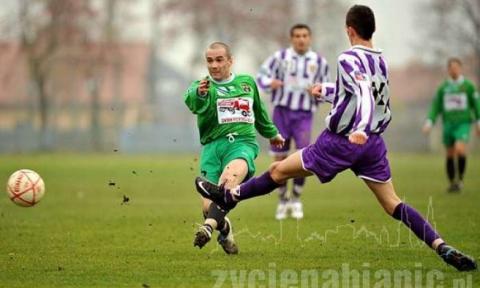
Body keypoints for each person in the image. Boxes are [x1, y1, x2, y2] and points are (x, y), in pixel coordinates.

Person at [194, 5, 477, 271]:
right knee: (393, 203)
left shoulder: (347, 57)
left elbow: (364, 93)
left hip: (342, 141)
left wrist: (360, 128)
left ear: (349, 30)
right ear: (371, 30)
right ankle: (441, 246)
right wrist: (327, 91)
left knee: (279, 171)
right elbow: (360, 95)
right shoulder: (380, 60)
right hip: (373, 145)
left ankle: (229, 194)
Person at [184, 42, 284, 254]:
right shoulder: (201, 86)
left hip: (241, 145)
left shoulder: (247, 83)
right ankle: (224, 228)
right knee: (207, 207)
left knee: (228, 181)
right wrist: (200, 93)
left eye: (219, 59)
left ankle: (207, 228)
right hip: (212, 150)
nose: (214, 65)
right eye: (210, 60)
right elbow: (192, 101)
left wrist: (273, 134)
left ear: (230, 61)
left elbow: (260, 113)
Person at [257, 24, 330, 220]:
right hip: (282, 112)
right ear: (291, 38)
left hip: (304, 115)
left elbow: (327, 89)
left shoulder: (319, 62)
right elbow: (260, 76)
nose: (301, 39)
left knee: (303, 158)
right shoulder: (280, 58)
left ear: (310, 38)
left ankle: (296, 198)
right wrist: (269, 83)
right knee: (279, 157)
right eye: (297, 36)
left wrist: (318, 92)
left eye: (305, 35)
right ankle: (283, 199)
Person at [422, 58, 480, 192]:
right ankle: (452, 183)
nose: (454, 70)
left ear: (460, 69)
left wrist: (478, 122)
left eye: (456, 67)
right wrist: (429, 122)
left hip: (463, 124)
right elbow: (435, 107)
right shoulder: (443, 88)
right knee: (449, 154)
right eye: (451, 67)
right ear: (448, 70)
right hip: (448, 124)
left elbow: (476, 105)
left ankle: (460, 179)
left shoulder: (468, 86)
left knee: (460, 149)